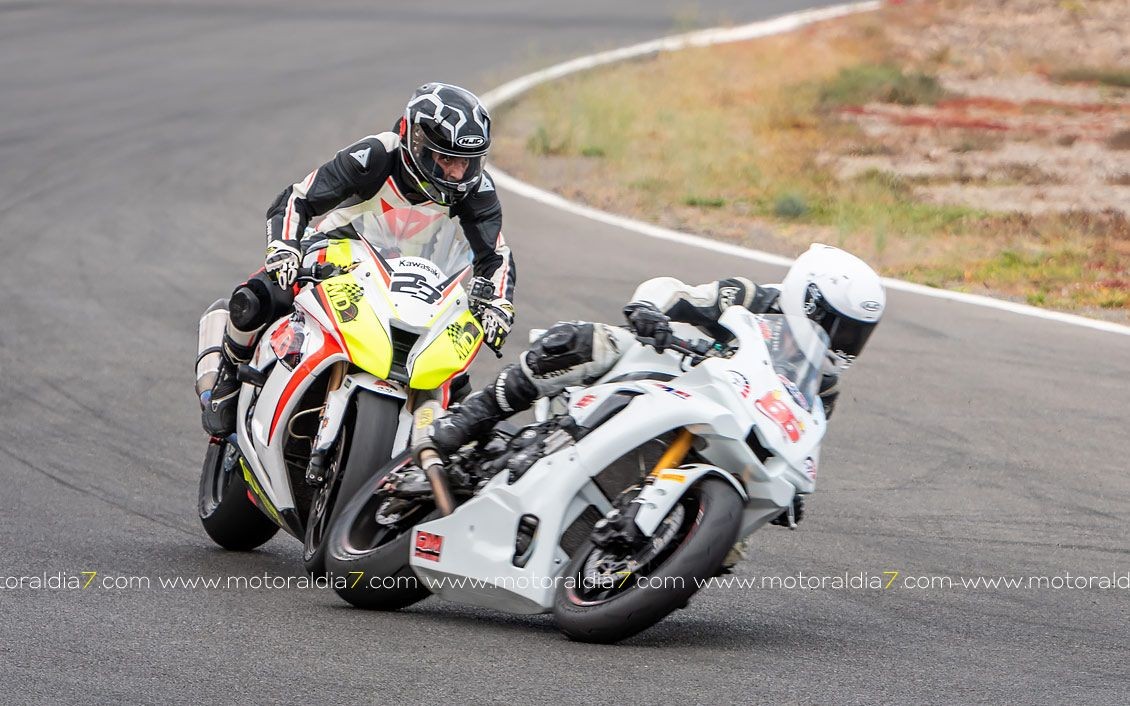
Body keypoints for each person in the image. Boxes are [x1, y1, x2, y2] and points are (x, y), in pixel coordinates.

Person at [415, 243, 886, 493]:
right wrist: (649, 309)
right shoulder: (755, 299)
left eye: (856, 335)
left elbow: (800, 443)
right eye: (840, 328)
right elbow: (678, 291)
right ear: (808, 301)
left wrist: (791, 489)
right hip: (675, 377)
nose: (844, 344)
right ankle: (468, 420)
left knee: (733, 546)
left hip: (721, 435)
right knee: (584, 342)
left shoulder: (823, 386)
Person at [202, 82, 516, 436]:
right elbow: (298, 198)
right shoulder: (377, 155)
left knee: (455, 382)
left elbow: (496, 254)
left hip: (416, 283)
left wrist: (498, 304)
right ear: (415, 142)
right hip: (338, 253)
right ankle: (229, 375)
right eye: (446, 160)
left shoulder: (476, 190)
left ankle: (428, 453)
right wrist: (285, 248)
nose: (458, 174)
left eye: (467, 162)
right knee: (258, 297)